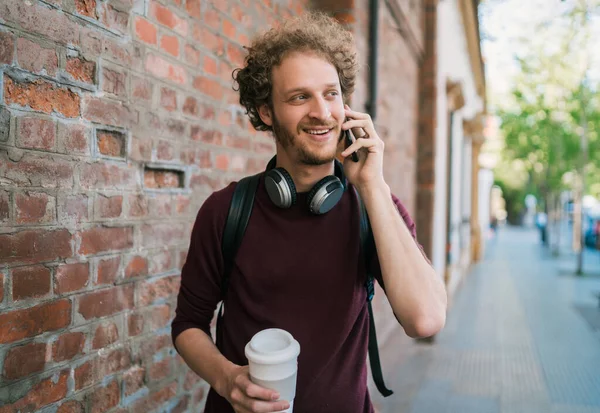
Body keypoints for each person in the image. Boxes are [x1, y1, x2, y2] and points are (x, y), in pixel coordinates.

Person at [171, 12, 447, 413]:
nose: (322, 111)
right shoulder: (225, 211)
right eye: (300, 97)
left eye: (331, 94)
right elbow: (188, 325)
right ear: (266, 113)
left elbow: (425, 320)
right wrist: (226, 379)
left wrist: (372, 185)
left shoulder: (374, 207)